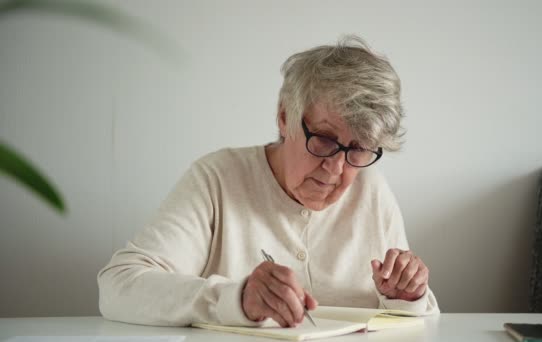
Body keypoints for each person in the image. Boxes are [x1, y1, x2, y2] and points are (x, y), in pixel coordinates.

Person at [98, 35, 439, 328]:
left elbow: (428, 322)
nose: (336, 168)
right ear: (284, 117)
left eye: (359, 149)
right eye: (323, 138)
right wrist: (234, 299)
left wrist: (406, 296)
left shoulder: (371, 190)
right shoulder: (218, 178)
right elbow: (118, 286)